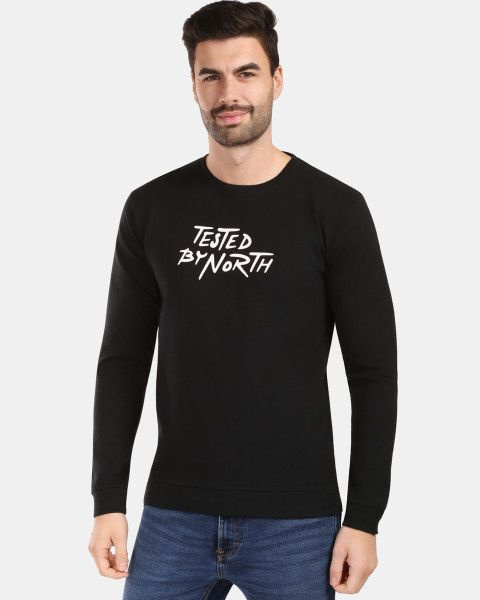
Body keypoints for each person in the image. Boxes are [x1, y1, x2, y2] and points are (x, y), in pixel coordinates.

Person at [88, 2, 397, 598]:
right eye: (212, 75)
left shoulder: (336, 210)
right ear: (194, 86)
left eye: (246, 73)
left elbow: (373, 372)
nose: (229, 93)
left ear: (277, 80)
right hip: (174, 516)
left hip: (297, 524)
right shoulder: (151, 208)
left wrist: (364, 517)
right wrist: (108, 500)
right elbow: (122, 361)